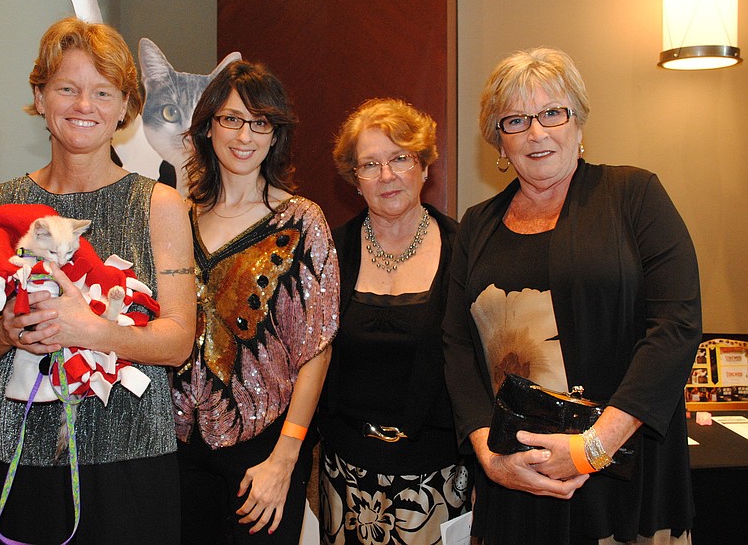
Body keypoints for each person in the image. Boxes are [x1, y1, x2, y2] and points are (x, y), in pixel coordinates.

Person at [443, 47, 701, 545]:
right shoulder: (477, 225)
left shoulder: (635, 196)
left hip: (624, 478)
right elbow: (455, 346)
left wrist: (591, 448)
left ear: (578, 123)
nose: (536, 133)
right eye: (515, 120)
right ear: (499, 142)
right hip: (515, 482)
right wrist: (489, 458)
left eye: (552, 113)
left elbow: (676, 327)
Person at [0, 17, 196, 544]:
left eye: (102, 92)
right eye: (66, 88)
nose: (84, 106)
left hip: (132, 455)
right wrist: (5, 332)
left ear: (126, 109)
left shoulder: (158, 205)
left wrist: (85, 328)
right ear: (40, 97)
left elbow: (177, 343)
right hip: (22, 454)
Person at [171, 59, 339, 543]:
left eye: (260, 123)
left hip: (262, 453)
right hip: (178, 449)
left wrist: (285, 460)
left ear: (275, 135)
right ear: (207, 128)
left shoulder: (301, 220)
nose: (245, 136)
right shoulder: (175, 217)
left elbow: (317, 349)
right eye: (231, 119)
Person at [318, 98, 468, 545]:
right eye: (370, 164)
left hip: (436, 479)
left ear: (423, 166)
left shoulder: (464, 251)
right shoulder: (330, 251)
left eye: (400, 158)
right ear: (355, 180)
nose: (387, 176)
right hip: (345, 472)